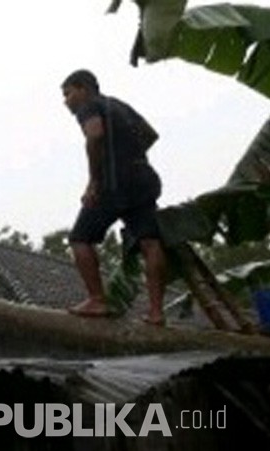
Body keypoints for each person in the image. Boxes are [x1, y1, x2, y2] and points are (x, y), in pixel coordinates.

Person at [61, 69, 167, 325]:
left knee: (80, 238)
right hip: (143, 179)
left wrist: (94, 181)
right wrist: (128, 153)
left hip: (113, 184)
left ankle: (97, 300)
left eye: (68, 93)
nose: (66, 101)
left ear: (83, 89)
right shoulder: (120, 106)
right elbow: (151, 134)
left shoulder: (89, 106)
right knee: (150, 243)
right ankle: (156, 312)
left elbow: (95, 135)